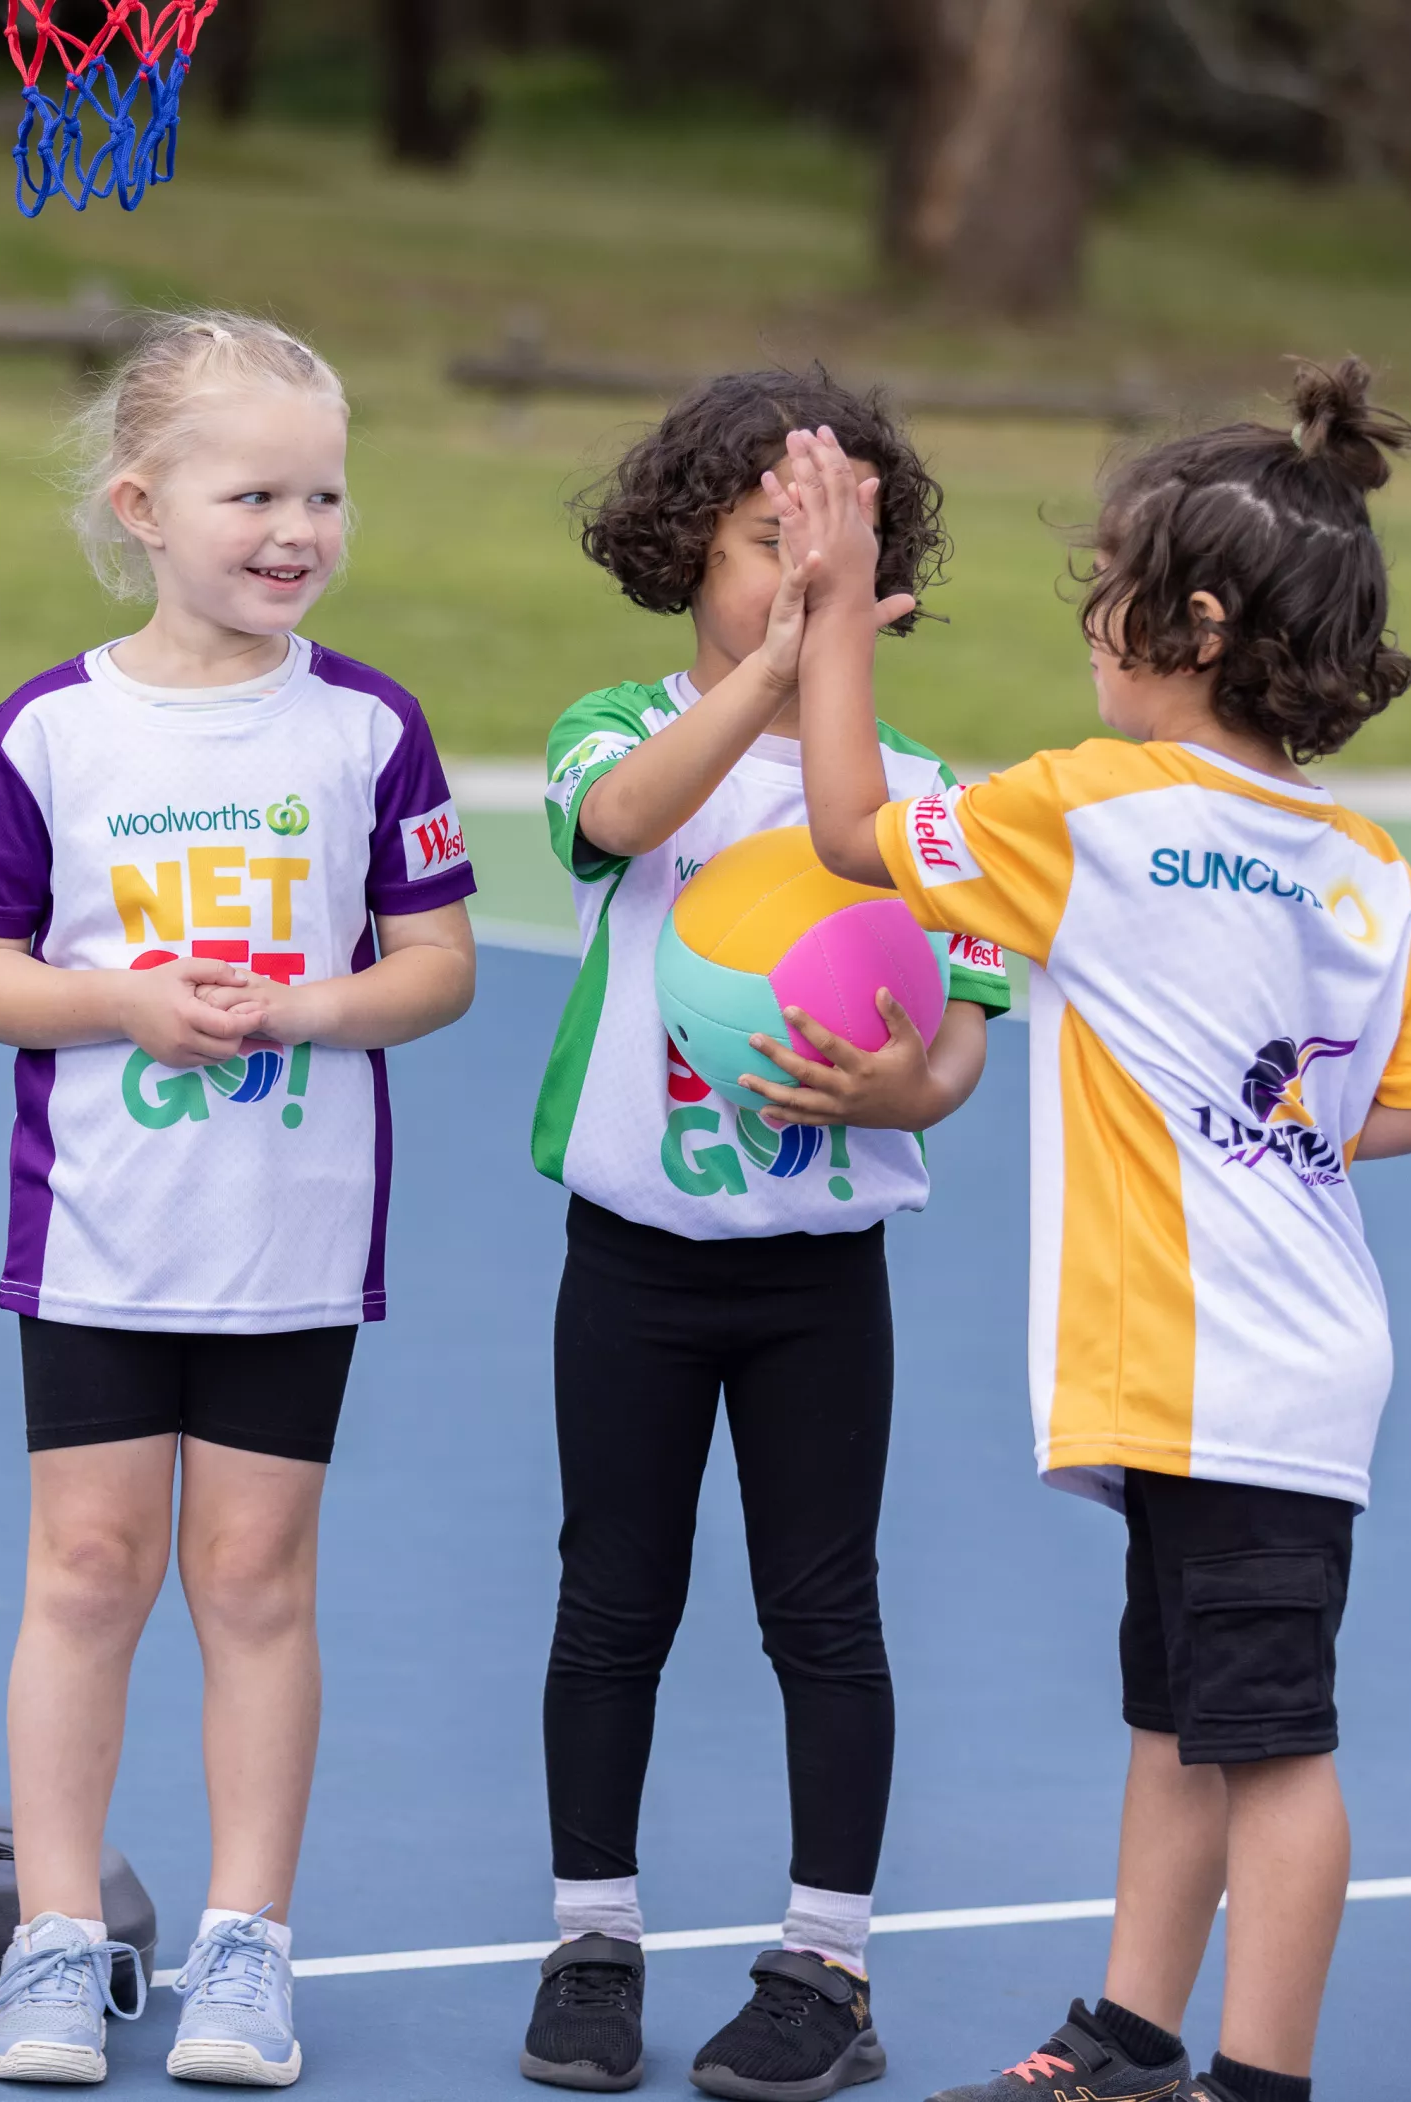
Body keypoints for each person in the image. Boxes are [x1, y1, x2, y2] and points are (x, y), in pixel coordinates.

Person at [781, 360, 1411, 2102]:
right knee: (1181, 1719)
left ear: (1196, 624)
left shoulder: (1095, 806)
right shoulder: (1361, 859)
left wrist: (837, 607)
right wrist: (1262, 1120)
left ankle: (1258, 2081)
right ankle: (1132, 2042)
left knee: (1272, 1746)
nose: (1090, 616)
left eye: (1108, 584)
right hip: (1276, 1352)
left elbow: (850, 828)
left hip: (1219, 1360)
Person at [0, 310, 478, 2088]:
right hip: (100, 1233)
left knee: (252, 1577)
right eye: (255, 494)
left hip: (287, 1237)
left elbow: (439, 965)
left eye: (325, 493)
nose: (297, 528)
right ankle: (55, 1936)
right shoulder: (47, 733)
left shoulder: (369, 728)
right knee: (88, 1569)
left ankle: (248, 1945)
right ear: (143, 505)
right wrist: (125, 1001)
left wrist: (306, 1007)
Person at [522, 369, 1010, 2101]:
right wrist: (780, 662)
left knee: (824, 1611)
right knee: (612, 1599)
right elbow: (621, 822)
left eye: (834, 550)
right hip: (632, 1264)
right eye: (762, 542)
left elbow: (963, 1036)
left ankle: (826, 1965)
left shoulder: (924, 797)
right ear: (687, 553)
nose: (795, 580)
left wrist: (904, 1087)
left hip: (819, 1279)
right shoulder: (620, 728)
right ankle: (592, 1935)